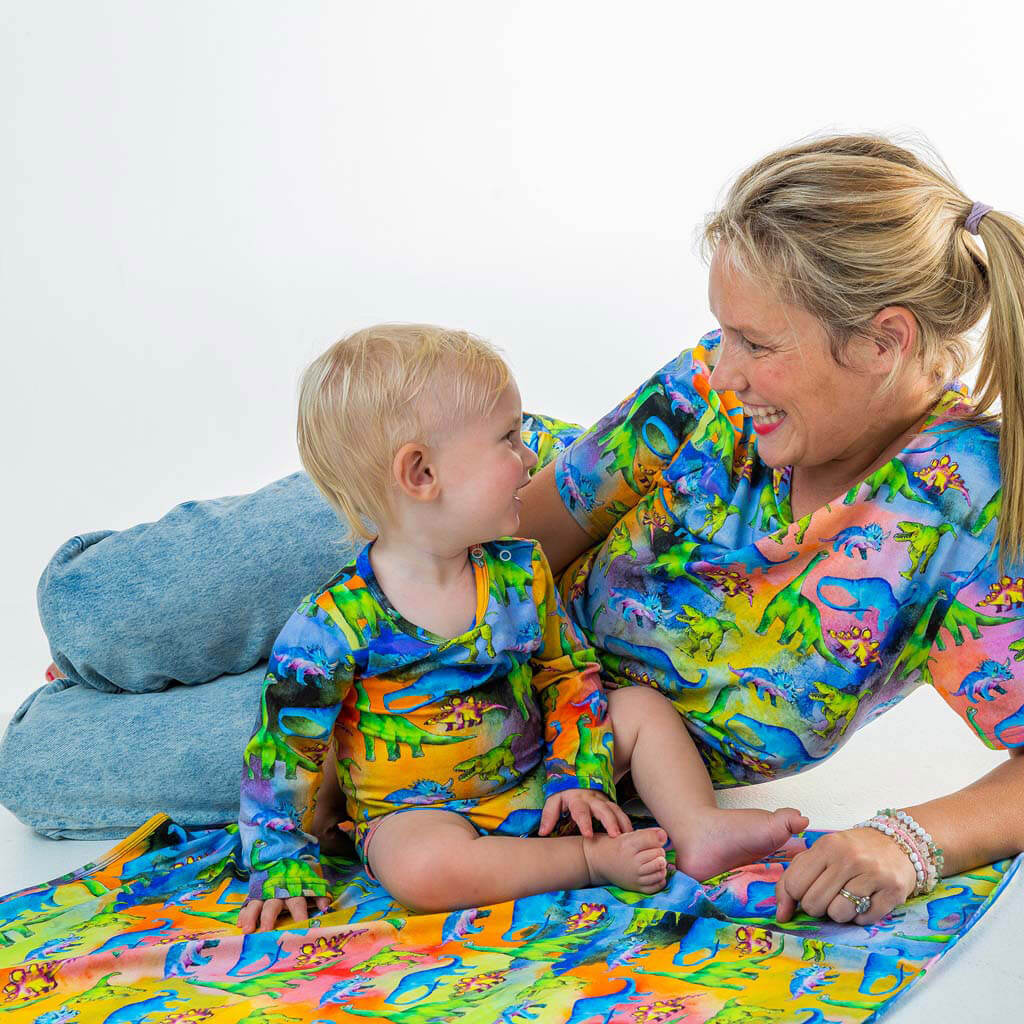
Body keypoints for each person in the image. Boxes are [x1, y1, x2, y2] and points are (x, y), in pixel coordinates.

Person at [4, 132, 1024, 930]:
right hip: (449, 504)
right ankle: (109, 661)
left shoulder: (966, 516)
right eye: (721, 333)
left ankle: (105, 692)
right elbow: (529, 532)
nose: (721, 369)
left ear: (885, 341)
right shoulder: (707, 393)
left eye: (756, 343)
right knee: (99, 611)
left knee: (41, 762)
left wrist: (910, 839)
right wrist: (376, 630)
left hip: (499, 734)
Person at [237, 324, 806, 931]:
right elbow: (284, 752)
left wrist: (579, 773)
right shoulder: (331, 626)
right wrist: (281, 861)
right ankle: (584, 860)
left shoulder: (518, 571)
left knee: (640, 708)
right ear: (422, 473)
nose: (531, 456)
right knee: (419, 870)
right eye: (508, 439)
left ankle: (698, 827)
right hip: (422, 814)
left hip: (540, 779)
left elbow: (568, 675)